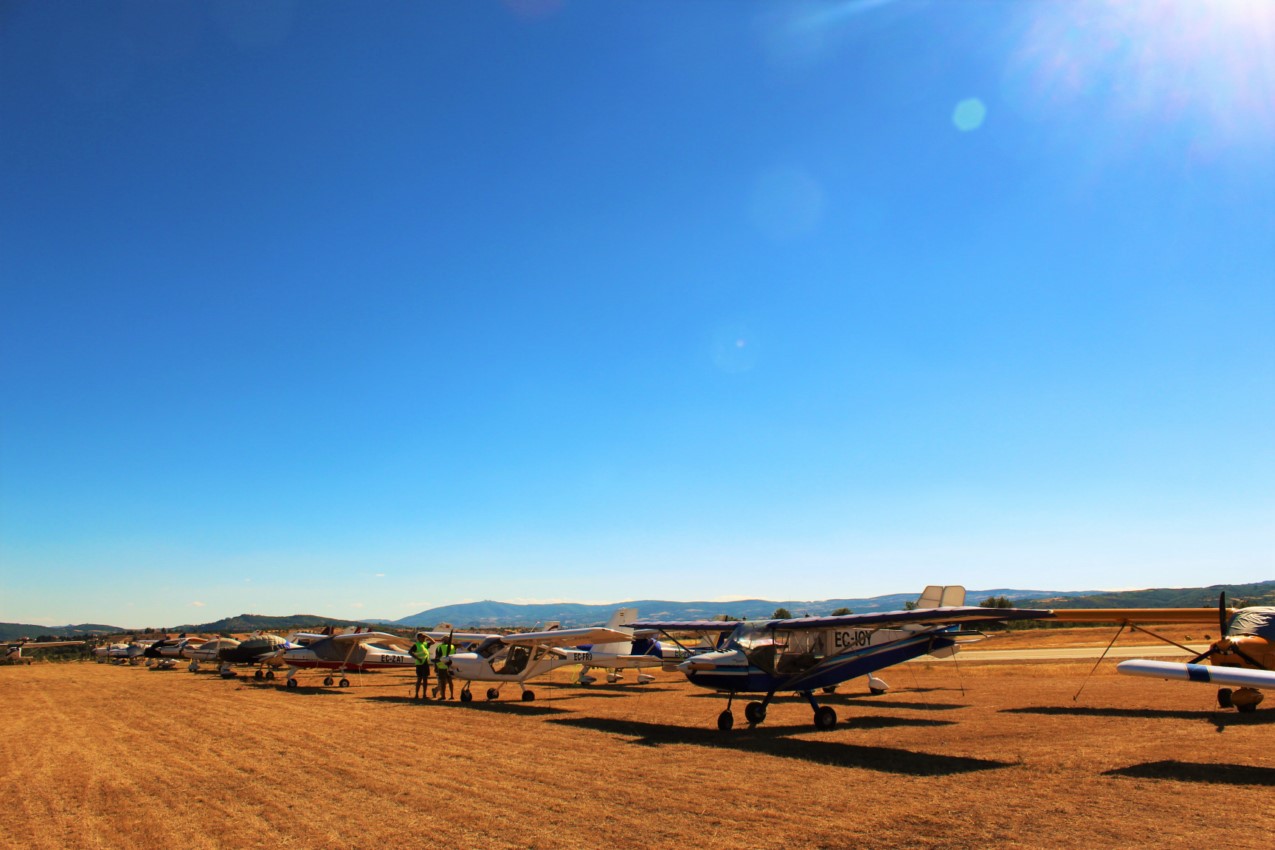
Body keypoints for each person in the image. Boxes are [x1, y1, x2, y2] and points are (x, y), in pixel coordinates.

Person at [432, 634, 457, 700]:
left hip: (442, 666)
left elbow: (437, 657)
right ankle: (452, 695)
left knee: (443, 682)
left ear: (443, 640)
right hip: (450, 666)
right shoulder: (452, 647)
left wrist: (435, 667)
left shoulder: (440, 647)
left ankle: (443, 696)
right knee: (450, 681)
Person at [410, 633, 433, 701]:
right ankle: (417, 694)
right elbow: (410, 652)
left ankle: (424, 694)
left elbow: (433, 642)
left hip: (425, 663)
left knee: (425, 680)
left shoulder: (425, 644)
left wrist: (427, 636)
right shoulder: (416, 645)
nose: (424, 639)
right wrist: (418, 658)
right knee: (419, 679)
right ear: (419, 638)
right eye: (422, 637)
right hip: (420, 664)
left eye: (424, 637)